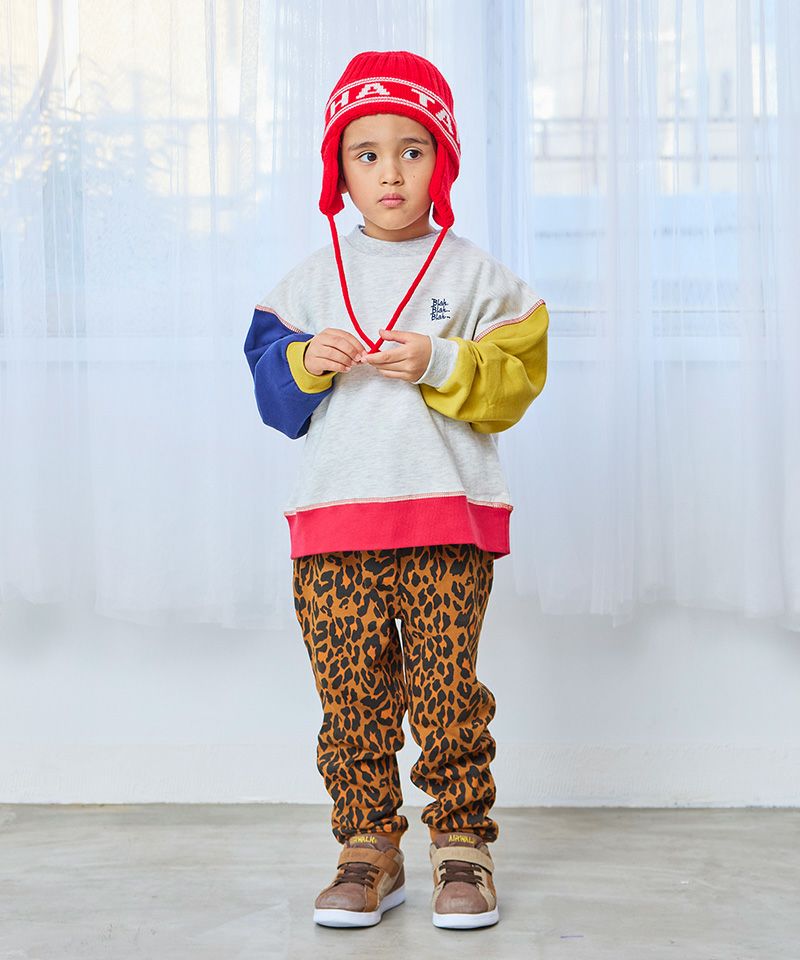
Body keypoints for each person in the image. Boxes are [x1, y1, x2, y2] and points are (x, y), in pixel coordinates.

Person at [243, 50, 549, 931]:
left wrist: (442, 360)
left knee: (447, 694)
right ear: (338, 169)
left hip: (446, 521)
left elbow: (515, 385)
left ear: (441, 161)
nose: (390, 172)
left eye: (412, 151)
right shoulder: (307, 279)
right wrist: (307, 360)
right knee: (352, 700)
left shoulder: (483, 279)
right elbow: (272, 395)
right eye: (366, 153)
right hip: (334, 525)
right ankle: (367, 847)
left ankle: (463, 843)